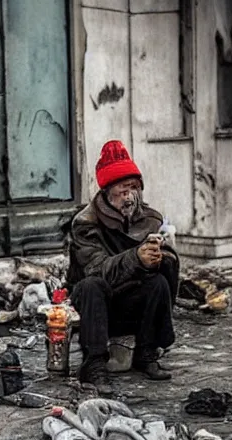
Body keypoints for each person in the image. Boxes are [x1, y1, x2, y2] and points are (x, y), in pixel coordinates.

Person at [66, 140, 179, 392]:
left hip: (130, 300)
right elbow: (96, 269)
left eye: (134, 187)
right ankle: (94, 363)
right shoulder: (86, 222)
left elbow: (164, 263)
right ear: (107, 190)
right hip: (96, 303)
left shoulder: (150, 218)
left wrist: (160, 257)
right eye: (122, 188)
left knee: (158, 281)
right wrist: (136, 258)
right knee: (91, 285)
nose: (129, 195)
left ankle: (146, 352)